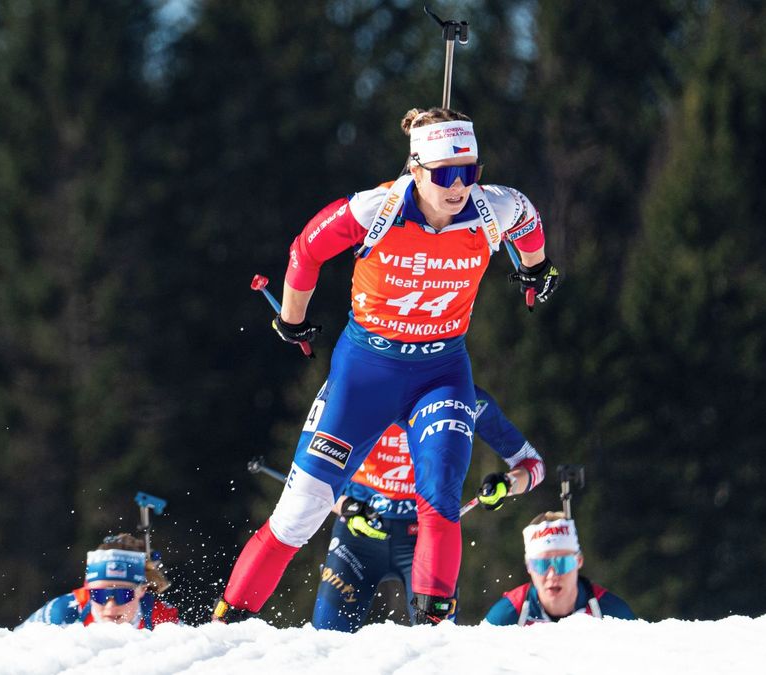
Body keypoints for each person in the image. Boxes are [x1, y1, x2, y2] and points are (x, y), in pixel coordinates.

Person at [213, 106, 560, 625]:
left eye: (470, 172)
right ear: (416, 168)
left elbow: (530, 226)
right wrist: (292, 320)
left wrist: (536, 271)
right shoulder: (377, 208)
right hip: (365, 373)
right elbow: (306, 249)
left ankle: (433, 637)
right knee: (300, 513)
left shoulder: (496, 209)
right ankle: (226, 626)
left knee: (439, 498)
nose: (459, 185)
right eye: (445, 173)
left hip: (441, 373)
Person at [313, 385, 545, 631]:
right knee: (326, 638)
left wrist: (506, 484)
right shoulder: (352, 386)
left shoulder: (467, 399)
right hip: (359, 536)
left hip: (429, 537)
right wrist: (346, 506)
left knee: (436, 645)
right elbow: (312, 472)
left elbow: (532, 464)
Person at [483, 512, 636, 625]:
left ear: (579, 561)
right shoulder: (506, 616)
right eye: (542, 564)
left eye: (562, 563)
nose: (552, 575)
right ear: (529, 566)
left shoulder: (613, 614)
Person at [22, 533, 179, 629]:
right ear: (87, 589)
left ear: (142, 590)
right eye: (99, 594)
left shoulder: (162, 620)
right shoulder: (61, 614)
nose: (110, 606)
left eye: (123, 594)